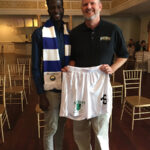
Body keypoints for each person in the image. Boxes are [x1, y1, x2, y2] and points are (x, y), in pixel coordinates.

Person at [66, 0, 128, 150]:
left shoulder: (113, 30)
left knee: (100, 131)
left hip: (101, 89)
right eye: (85, 4)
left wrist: (112, 68)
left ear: (100, 6)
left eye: (92, 3)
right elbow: (72, 58)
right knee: (79, 130)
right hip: (79, 90)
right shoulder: (74, 33)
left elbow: (123, 55)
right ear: (81, 9)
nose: (88, 7)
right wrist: (69, 69)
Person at [32, 0, 70, 149]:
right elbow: (35, 67)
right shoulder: (39, 33)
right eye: (53, 7)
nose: (56, 10)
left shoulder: (68, 33)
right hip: (50, 91)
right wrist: (41, 95)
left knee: (61, 127)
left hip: (66, 90)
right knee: (51, 128)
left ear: (63, 8)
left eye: (59, 7)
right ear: (48, 10)